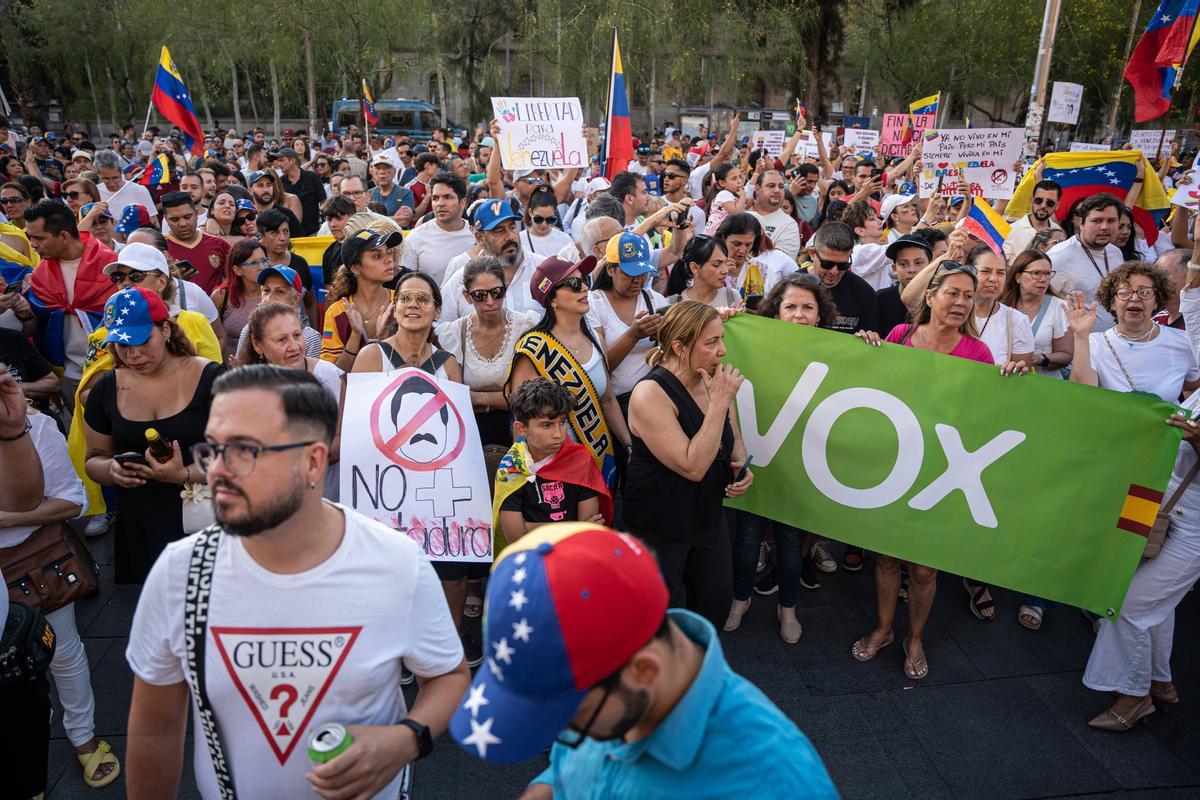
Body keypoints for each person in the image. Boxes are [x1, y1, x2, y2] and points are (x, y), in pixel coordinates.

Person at [124, 365, 469, 798]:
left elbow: (448, 676)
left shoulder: (395, 562)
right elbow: (156, 728)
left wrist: (405, 739)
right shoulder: (181, 572)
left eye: (245, 450)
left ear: (313, 462)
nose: (217, 471)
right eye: (213, 448)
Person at [449, 522, 838, 798]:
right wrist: (547, 786)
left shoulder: (774, 784)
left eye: (565, 720)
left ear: (644, 670)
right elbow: (580, 758)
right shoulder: (612, 688)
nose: (560, 735)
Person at [852, 261, 1009, 680]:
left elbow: (986, 412)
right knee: (886, 558)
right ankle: (884, 629)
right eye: (952, 293)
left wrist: (1012, 380)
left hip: (941, 471)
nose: (961, 302)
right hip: (895, 462)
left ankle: (914, 637)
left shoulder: (979, 354)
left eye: (968, 295)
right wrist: (865, 348)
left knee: (923, 568)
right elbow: (875, 391)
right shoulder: (900, 337)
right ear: (930, 296)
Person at [0, 396, 120, 788]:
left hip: (32, 566)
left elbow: (72, 500)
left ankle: (82, 737)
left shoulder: (34, 428)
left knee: (61, 652)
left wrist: (11, 520)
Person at [726, 274, 839, 642]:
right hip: (758, 457)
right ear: (775, 313)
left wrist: (870, 345)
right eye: (790, 306)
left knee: (791, 545)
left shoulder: (838, 351)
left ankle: (787, 608)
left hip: (801, 464)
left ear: (821, 314)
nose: (799, 314)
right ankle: (740, 600)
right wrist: (727, 322)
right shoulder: (754, 343)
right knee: (747, 539)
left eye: (808, 307)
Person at [82, 287, 222, 584]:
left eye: (142, 341)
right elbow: (93, 459)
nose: (133, 354)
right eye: (121, 344)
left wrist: (184, 473)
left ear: (167, 329)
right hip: (141, 525)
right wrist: (112, 470)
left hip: (209, 522)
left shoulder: (212, 378)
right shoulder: (106, 389)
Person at [624, 301, 752, 626]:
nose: (722, 351)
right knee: (664, 618)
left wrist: (741, 464)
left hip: (706, 516)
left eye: (722, 339)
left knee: (714, 602)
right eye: (711, 343)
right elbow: (692, 466)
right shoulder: (649, 394)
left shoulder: (711, 380)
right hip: (661, 523)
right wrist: (720, 401)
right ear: (680, 347)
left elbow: (733, 437)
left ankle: (700, 669)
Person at [506, 256, 632, 492]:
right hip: (554, 471)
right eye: (574, 285)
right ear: (552, 298)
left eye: (584, 281)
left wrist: (627, 443)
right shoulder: (533, 349)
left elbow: (607, 399)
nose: (584, 288)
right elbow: (522, 421)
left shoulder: (593, 337)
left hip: (598, 460)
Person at [435, 256, 538, 449]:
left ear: (505, 288)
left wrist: (477, 398)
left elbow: (527, 396)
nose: (490, 301)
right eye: (480, 295)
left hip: (520, 430)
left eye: (497, 292)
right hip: (471, 435)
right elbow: (454, 397)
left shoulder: (526, 326)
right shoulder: (454, 333)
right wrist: (504, 397)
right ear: (466, 297)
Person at [24, 199, 117, 412]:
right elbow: (36, 325)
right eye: (30, 238)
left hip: (112, 368)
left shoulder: (111, 266)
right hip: (69, 374)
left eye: (39, 238)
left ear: (64, 236)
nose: (33, 245)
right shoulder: (39, 275)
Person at [495, 378, 612, 544]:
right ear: (521, 429)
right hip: (531, 560)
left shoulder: (580, 460)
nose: (558, 434)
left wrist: (529, 527)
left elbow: (588, 534)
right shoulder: (510, 469)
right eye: (547, 425)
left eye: (562, 422)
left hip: (573, 558)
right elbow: (516, 538)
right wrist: (575, 527)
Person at [1067, 261, 1199, 401]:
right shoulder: (1094, 343)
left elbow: (1193, 387)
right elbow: (1082, 396)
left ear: (1156, 302)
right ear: (1112, 302)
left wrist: (1185, 416)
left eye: (1145, 292)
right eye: (1124, 293)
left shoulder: (1183, 341)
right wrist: (1080, 335)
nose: (1135, 298)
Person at [587, 232, 667, 415]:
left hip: (655, 398)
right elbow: (600, 367)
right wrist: (633, 335)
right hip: (617, 404)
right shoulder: (593, 304)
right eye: (629, 273)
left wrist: (663, 336)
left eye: (642, 273)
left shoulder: (656, 301)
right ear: (610, 270)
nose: (638, 280)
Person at [439, 199, 542, 324]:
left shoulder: (543, 270)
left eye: (512, 227)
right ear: (479, 237)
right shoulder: (460, 280)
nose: (510, 236)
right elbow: (442, 328)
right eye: (499, 231)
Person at [321, 228, 401, 369]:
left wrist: (382, 339)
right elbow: (332, 373)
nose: (389, 259)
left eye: (388, 253)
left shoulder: (402, 301)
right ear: (356, 268)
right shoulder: (336, 312)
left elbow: (415, 357)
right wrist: (355, 335)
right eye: (377, 256)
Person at [1049, 193, 1124, 331]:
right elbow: (1042, 303)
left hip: (1114, 340)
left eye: (1111, 221)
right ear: (1081, 223)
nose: (1104, 227)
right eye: (1097, 221)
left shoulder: (1116, 252)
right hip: (1078, 345)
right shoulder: (1059, 256)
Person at [1000, 249, 1073, 379]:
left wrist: (1039, 358)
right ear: (1017, 277)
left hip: (1043, 385)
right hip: (1003, 378)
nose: (1043, 279)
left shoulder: (1059, 307)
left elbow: (1066, 355)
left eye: (1047, 274)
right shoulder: (1001, 305)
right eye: (1036, 273)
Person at [800, 221, 880, 336]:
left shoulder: (863, 292)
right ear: (812, 253)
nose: (834, 271)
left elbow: (873, 340)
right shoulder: (790, 286)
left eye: (843, 265)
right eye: (827, 264)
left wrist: (869, 338)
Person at [398, 172, 475, 285]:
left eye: (448, 197)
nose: (440, 203)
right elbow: (406, 284)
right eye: (435, 198)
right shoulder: (416, 237)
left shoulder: (476, 235)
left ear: (463, 202)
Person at [234, 265, 322, 361]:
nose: (269, 298)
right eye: (266, 290)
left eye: (280, 291)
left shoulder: (310, 338)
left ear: (296, 299)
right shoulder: (248, 330)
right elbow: (241, 371)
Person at [256, 207, 318, 325]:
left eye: (285, 231)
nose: (283, 238)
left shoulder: (300, 263)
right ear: (262, 237)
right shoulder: (256, 266)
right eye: (275, 233)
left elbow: (311, 303)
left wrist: (315, 332)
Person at [161, 190, 231, 293]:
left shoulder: (219, 244)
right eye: (175, 219)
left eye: (187, 217)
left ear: (196, 213)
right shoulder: (159, 249)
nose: (183, 224)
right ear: (166, 219)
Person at [210, 238, 268, 358]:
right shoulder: (221, 296)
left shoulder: (274, 293)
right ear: (237, 270)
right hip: (230, 369)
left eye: (264, 260)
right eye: (254, 263)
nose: (262, 267)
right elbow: (211, 338)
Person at [663, 236, 741, 309]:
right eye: (716, 265)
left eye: (725, 263)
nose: (725, 270)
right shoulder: (673, 304)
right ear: (694, 268)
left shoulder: (732, 297)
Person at [877, 233, 931, 336]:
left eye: (918, 263)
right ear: (894, 269)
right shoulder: (880, 299)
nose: (912, 270)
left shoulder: (940, 302)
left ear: (930, 265)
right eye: (903, 264)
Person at [93, 149, 158, 226]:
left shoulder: (139, 191)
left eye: (115, 178)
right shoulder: (95, 192)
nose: (112, 183)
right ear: (98, 175)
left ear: (121, 172)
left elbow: (154, 223)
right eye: (106, 179)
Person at [1003, 179, 1063, 260]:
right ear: (1031, 201)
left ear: (1057, 205)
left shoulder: (1058, 233)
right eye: (1038, 200)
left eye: (1050, 203)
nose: (1043, 206)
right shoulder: (1011, 231)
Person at [274, 146, 324, 234]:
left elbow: (323, 202)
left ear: (292, 160)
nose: (279, 164)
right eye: (278, 161)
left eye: (282, 160)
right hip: (290, 235)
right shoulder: (280, 182)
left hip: (313, 233)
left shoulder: (312, 177)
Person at [521, 186, 574, 258]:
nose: (544, 224)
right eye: (538, 219)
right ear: (530, 212)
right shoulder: (520, 240)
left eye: (549, 219)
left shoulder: (564, 239)